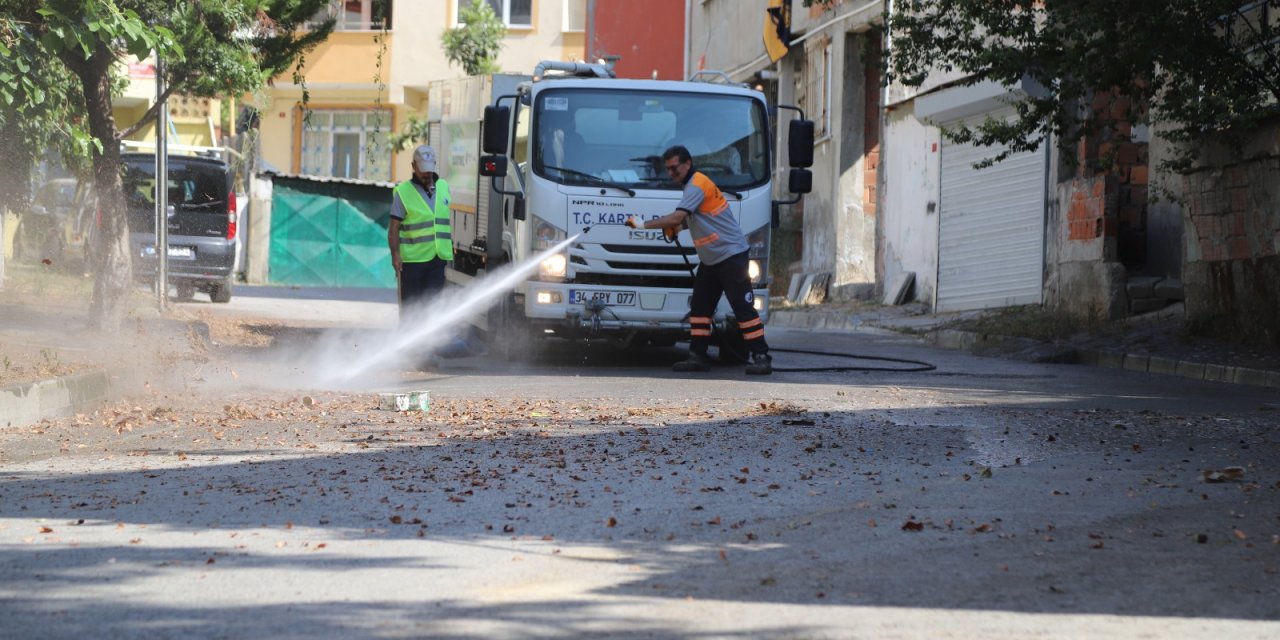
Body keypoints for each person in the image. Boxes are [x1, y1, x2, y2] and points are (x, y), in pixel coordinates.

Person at [626, 145, 772, 375]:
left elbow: (678, 216)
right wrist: (678, 228)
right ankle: (698, 356)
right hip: (712, 260)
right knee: (700, 307)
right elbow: (696, 218)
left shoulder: (696, 184)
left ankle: (761, 357)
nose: (671, 173)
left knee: (743, 308)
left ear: (687, 164)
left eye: (674, 168)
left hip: (731, 256)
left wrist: (643, 225)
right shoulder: (693, 185)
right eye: (668, 169)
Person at [389, 144, 453, 322]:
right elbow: (393, 229)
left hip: (437, 259)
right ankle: (409, 337)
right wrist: (395, 256)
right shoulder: (402, 192)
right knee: (411, 308)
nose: (427, 174)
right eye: (423, 169)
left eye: (429, 169)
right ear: (413, 166)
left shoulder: (444, 187)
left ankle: (430, 338)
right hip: (412, 263)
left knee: (433, 307)